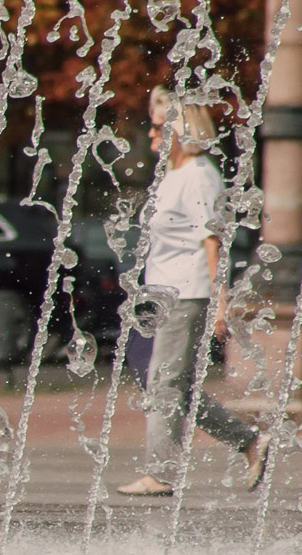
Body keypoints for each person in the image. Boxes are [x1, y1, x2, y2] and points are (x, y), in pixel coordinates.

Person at [117, 87, 272, 497]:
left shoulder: (201, 174)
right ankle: (248, 440)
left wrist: (221, 303)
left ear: (180, 130)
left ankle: (160, 472)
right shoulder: (174, 175)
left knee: (165, 384)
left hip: (187, 294)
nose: (151, 136)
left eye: (157, 128)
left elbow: (214, 241)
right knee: (172, 385)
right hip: (163, 293)